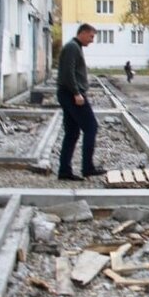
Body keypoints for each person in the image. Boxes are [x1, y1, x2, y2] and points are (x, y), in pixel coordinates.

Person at [56, 23, 106, 181]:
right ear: (83, 33)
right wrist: (77, 93)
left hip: (68, 93)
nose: (92, 40)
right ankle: (87, 167)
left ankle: (64, 170)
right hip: (71, 94)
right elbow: (67, 73)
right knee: (91, 127)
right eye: (91, 36)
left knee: (72, 133)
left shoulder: (75, 47)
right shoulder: (72, 47)